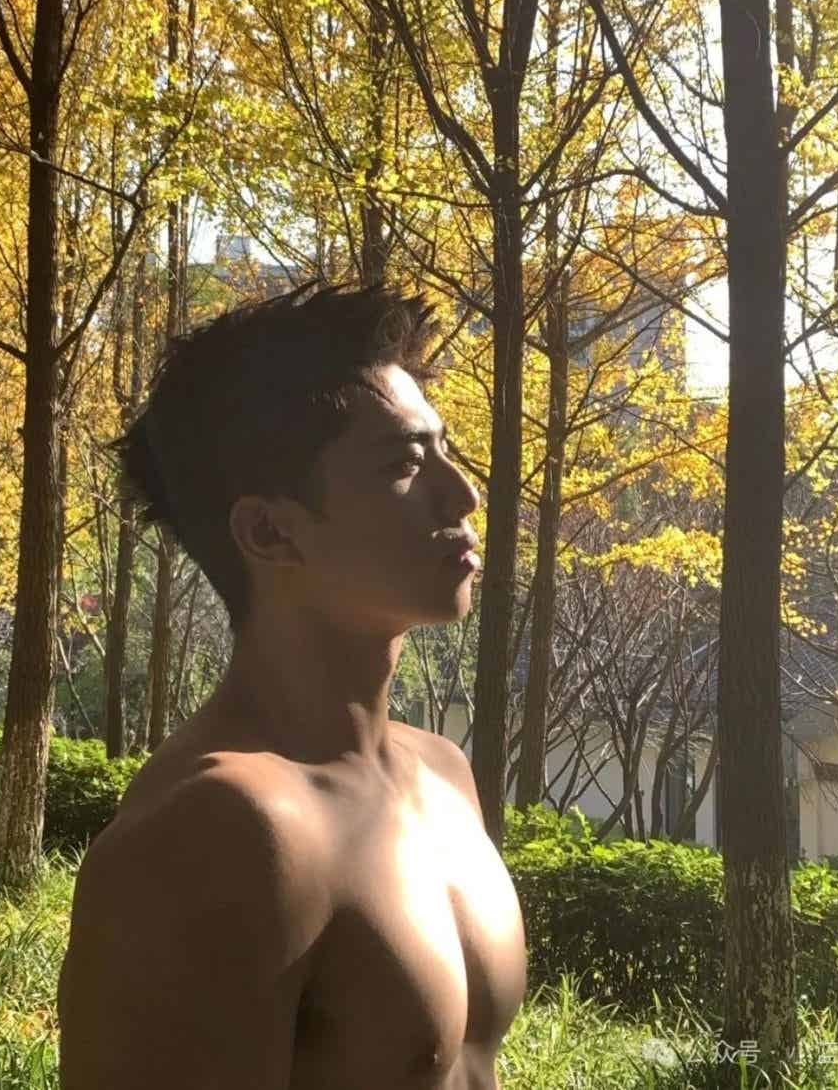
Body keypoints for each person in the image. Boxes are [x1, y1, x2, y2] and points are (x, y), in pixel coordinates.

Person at [57, 281, 528, 1089]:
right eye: (405, 464)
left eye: (445, 451)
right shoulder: (215, 833)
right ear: (270, 531)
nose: (464, 494)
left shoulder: (444, 774)